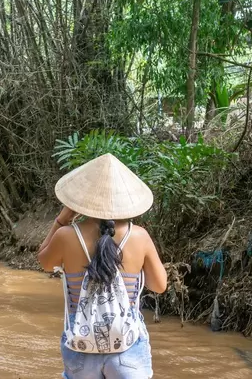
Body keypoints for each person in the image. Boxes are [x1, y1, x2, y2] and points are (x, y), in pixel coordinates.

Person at [37, 153, 167, 379]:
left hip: (81, 349)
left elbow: (44, 261)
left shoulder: (66, 236)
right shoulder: (139, 236)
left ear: (82, 200)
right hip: (127, 350)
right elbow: (159, 286)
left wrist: (62, 220)